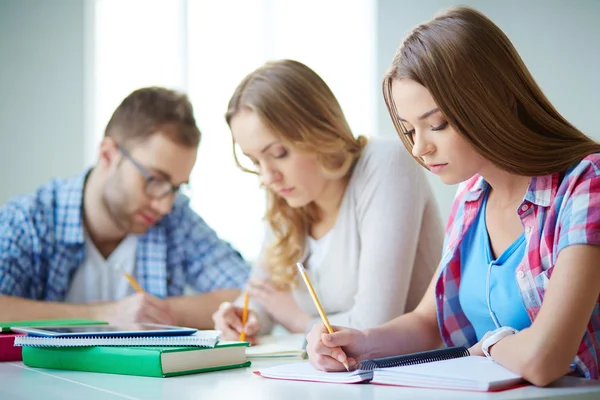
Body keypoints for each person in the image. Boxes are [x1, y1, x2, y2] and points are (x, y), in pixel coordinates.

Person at [305, 6, 600, 385]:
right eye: (410, 130)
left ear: (496, 100)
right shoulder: (472, 196)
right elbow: (430, 323)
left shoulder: (585, 185)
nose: (419, 148)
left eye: (437, 124)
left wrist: (490, 344)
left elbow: (545, 359)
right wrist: (358, 342)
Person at [212, 59, 444, 344]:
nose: (267, 176)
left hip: (414, 375)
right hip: (336, 378)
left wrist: (297, 319)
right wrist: (245, 316)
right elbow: (263, 294)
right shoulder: (290, 195)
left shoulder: (386, 163)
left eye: (279, 153)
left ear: (318, 131)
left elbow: (373, 325)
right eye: (255, 161)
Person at [0, 87, 251, 329]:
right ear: (108, 155)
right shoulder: (28, 221)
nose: (164, 205)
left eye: (175, 188)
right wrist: (104, 315)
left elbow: (248, 293)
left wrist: (158, 312)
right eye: (154, 180)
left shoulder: (177, 218)